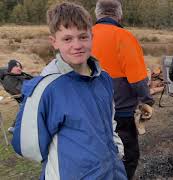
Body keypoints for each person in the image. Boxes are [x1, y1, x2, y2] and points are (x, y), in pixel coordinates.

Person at [11, 2, 127, 179]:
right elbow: (27, 147)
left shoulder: (103, 78)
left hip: (112, 174)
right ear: (54, 42)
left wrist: (117, 151)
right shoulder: (46, 89)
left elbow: (110, 121)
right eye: (67, 39)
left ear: (92, 37)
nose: (77, 45)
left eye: (83, 37)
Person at [92, 0, 154, 179]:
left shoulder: (85, 36)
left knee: (98, 155)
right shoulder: (124, 37)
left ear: (98, 14)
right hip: (120, 111)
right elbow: (137, 78)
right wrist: (147, 101)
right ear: (119, 15)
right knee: (128, 156)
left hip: (89, 110)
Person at [1, 59, 33, 133]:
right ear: (11, 68)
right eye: (16, 66)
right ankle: (14, 127)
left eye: (20, 66)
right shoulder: (8, 79)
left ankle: (14, 126)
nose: (19, 68)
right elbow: (21, 89)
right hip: (26, 98)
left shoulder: (21, 74)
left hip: (33, 94)